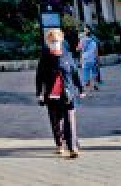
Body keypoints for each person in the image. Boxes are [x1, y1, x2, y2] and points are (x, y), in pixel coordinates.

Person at [36, 28, 84, 159]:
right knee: (56, 121)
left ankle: (72, 147)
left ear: (61, 40)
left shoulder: (67, 55)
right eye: (51, 41)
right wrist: (39, 93)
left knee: (70, 119)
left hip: (68, 94)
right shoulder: (45, 58)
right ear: (47, 42)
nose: (54, 43)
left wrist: (81, 89)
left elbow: (74, 73)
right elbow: (39, 77)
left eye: (56, 41)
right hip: (52, 95)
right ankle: (59, 143)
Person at [78, 27, 101, 92]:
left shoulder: (82, 41)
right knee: (94, 72)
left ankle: (88, 88)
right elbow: (96, 52)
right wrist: (98, 59)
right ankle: (94, 85)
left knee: (86, 73)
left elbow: (79, 50)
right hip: (92, 59)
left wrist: (80, 59)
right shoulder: (94, 42)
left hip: (85, 60)